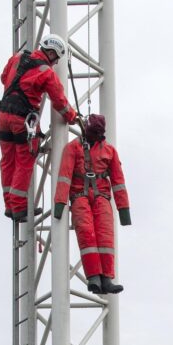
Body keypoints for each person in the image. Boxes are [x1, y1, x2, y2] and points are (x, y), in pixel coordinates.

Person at [0, 34, 80, 221]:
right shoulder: (46, 72)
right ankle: (18, 208)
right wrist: (72, 117)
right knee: (24, 161)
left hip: (3, 116)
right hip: (22, 120)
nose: (56, 63)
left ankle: (9, 206)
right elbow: (60, 102)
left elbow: (4, 78)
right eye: (56, 58)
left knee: (7, 161)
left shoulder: (16, 58)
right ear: (51, 53)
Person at [53, 114, 131, 294]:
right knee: (87, 234)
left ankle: (107, 278)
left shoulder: (109, 151)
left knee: (105, 236)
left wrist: (124, 210)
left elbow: (118, 182)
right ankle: (94, 277)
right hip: (80, 196)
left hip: (102, 197)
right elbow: (64, 177)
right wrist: (60, 203)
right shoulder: (73, 148)